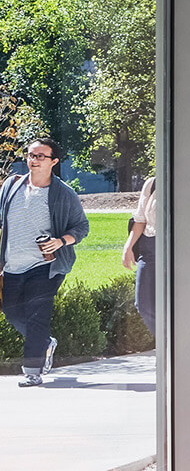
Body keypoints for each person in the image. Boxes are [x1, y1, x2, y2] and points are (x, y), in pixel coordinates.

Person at [2, 137, 90, 388]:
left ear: (54, 161)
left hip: (46, 266)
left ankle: (32, 370)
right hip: (12, 264)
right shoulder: (11, 186)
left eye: (41, 156)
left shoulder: (63, 193)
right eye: (31, 155)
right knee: (11, 312)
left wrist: (61, 241)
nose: (34, 160)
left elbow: (81, 227)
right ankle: (44, 342)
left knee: (37, 316)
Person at [122, 176, 157, 333]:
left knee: (178, 303)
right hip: (150, 246)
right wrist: (128, 247)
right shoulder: (152, 183)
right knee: (144, 304)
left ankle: (177, 346)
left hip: (182, 248)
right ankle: (166, 342)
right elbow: (140, 219)